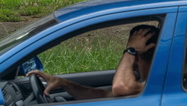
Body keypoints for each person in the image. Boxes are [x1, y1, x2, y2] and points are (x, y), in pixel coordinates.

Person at [27, 24, 159, 100]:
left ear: (136, 55)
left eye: (131, 48)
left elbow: (120, 87)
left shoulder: (164, 82)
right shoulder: (142, 81)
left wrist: (130, 50)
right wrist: (63, 83)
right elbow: (102, 95)